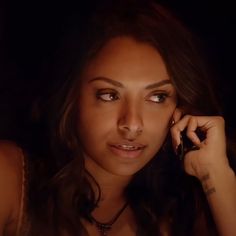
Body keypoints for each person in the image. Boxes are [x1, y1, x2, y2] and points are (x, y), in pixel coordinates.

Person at [0, 0, 236, 235]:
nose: (132, 124)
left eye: (157, 97)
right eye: (109, 95)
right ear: (71, 98)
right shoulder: (11, 178)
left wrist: (216, 172)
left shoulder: (179, 212)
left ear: (180, 110)